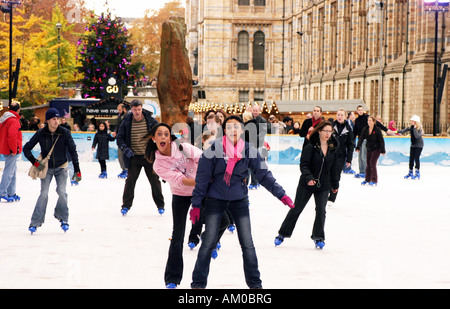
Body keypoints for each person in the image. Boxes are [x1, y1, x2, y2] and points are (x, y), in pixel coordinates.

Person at [189, 115, 295, 289]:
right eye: (229, 127)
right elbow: (202, 179)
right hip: (215, 200)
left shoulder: (249, 150)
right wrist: (196, 205)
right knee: (208, 242)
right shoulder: (213, 149)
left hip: (239, 201)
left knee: (247, 244)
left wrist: (281, 194)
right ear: (224, 130)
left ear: (242, 130)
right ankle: (198, 284)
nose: (233, 130)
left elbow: (264, 176)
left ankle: (255, 284)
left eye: (236, 127)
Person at [145, 123, 203, 289]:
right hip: (181, 194)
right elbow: (180, 180)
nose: (163, 137)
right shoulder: (158, 165)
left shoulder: (182, 147)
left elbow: (202, 158)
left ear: (170, 137)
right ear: (154, 138)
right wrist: (200, 181)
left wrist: (207, 176)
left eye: (166, 134)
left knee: (219, 220)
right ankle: (172, 278)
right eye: (159, 134)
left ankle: (205, 236)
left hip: (201, 191)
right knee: (177, 235)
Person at [274, 121, 340, 249]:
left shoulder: (332, 148)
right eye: (325, 131)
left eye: (330, 131)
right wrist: (309, 178)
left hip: (323, 185)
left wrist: (335, 184)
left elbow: (334, 168)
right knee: (296, 208)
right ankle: (282, 234)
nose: (328, 134)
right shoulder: (311, 146)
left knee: (321, 211)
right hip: (306, 184)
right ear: (319, 131)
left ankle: (318, 237)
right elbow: (303, 165)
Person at [23, 108, 82, 234]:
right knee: (43, 194)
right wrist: (35, 162)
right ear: (48, 120)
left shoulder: (64, 132)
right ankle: (35, 222)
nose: (57, 121)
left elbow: (73, 151)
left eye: (58, 119)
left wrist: (77, 170)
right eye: (54, 119)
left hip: (62, 167)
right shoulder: (41, 133)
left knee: (62, 192)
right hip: (46, 169)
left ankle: (63, 218)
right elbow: (26, 148)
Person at [116, 99, 165, 215]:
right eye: (134, 110)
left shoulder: (150, 120)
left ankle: (160, 205)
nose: (137, 112)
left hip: (149, 157)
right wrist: (125, 148)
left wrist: (158, 149)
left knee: (154, 181)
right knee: (130, 181)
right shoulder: (126, 121)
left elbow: (160, 134)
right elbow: (119, 137)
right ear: (131, 110)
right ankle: (126, 206)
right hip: (134, 157)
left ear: (142, 108)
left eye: (139, 109)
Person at [353, 105, 391, 178]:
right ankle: (361, 171)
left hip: (367, 139)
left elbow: (377, 124)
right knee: (360, 156)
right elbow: (355, 131)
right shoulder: (357, 120)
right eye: (359, 110)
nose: (360, 111)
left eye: (361, 110)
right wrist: (353, 140)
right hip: (360, 140)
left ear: (363, 110)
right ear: (357, 111)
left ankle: (365, 171)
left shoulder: (367, 118)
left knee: (364, 156)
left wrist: (386, 130)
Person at [328, 109, 354, 206]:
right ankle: (326, 192)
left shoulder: (348, 129)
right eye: (338, 114)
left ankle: (332, 197)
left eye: (341, 115)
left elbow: (351, 145)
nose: (339, 116)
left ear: (345, 117)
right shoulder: (331, 126)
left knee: (336, 176)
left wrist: (349, 159)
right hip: (330, 155)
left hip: (340, 156)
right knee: (327, 174)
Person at [0, 101, 23, 202]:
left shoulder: (4, 118)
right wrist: (14, 149)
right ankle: (3, 192)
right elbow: (12, 136)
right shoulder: (13, 120)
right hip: (10, 149)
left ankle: (11, 192)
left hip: (5, 148)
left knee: (12, 171)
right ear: (18, 110)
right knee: (9, 171)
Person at [355, 116, 386, 186]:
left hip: (376, 149)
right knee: (368, 164)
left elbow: (381, 140)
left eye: (370, 121)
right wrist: (358, 146)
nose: (369, 122)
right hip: (369, 148)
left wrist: (383, 150)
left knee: (372, 163)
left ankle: (374, 180)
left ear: (374, 122)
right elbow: (361, 138)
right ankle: (367, 179)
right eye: (368, 120)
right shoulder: (365, 129)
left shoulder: (377, 130)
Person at [398, 115, 424, 180]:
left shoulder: (419, 128)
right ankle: (410, 172)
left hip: (419, 145)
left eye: (412, 120)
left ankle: (417, 172)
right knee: (411, 158)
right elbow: (403, 131)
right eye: (411, 120)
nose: (411, 121)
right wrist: (395, 131)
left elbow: (417, 136)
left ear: (416, 122)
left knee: (416, 158)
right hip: (413, 144)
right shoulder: (410, 127)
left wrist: (415, 128)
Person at [115, 103, 128, 178]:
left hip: (125, 139)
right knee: (120, 155)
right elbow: (118, 125)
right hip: (120, 138)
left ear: (124, 109)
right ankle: (124, 169)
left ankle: (126, 169)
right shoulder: (120, 116)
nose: (118, 111)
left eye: (119, 110)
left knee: (124, 154)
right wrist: (115, 132)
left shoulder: (127, 116)